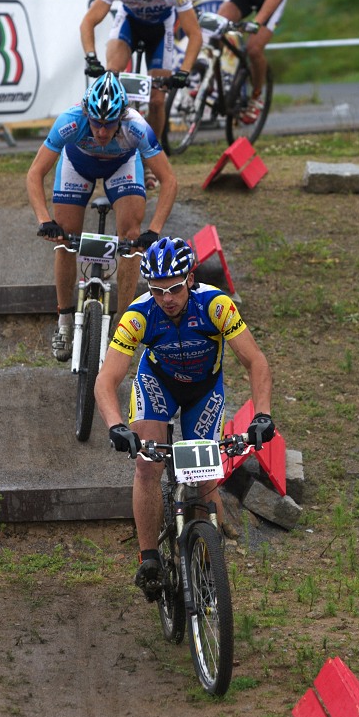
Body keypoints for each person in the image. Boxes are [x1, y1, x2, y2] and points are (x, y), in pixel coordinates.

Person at [94, 236, 275, 601]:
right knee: (147, 464)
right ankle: (149, 559)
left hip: (203, 390)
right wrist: (115, 426)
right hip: (157, 383)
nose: (167, 299)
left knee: (206, 479)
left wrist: (263, 415)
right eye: (157, 291)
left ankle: (209, 561)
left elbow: (255, 361)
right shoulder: (138, 315)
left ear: (191, 278)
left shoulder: (216, 306)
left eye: (175, 288)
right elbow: (106, 379)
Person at [27, 72, 177, 362]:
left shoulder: (136, 126)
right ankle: (64, 321)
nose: (102, 131)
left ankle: (125, 327)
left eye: (109, 123)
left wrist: (154, 230)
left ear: (121, 117)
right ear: (86, 114)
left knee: (132, 240)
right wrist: (44, 220)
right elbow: (34, 174)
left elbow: (169, 181)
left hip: (121, 167)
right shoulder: (71, 120)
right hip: (77, 165)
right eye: (96, 122)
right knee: (65, 238)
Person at [80, 0, 203, 190]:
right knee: (111, 80)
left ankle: (150, 157)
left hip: (161, 30)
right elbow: (89, 21)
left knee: (157, 99)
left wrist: (184, 71)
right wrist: (91, 58)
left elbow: (195, 34)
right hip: (129, 25)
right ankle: (111, 145)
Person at [184, 0, 287, 124]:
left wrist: (256, 23)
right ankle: (210, 81)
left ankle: (256, 96)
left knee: (254, 49)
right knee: (216, 26)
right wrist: (182, 1)